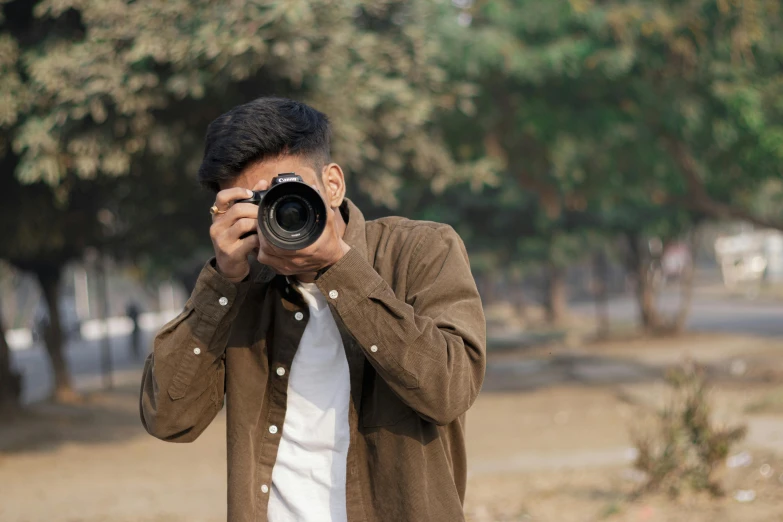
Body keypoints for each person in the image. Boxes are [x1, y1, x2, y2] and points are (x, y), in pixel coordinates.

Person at [139, 97, 486, 522]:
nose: (278, 210)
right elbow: (169, 419)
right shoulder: (240, 290)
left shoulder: (421, 250)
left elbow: (448, 390)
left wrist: (340, 268)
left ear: (333, 184)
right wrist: (223, 282)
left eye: (287, 191)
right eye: (255, 202)